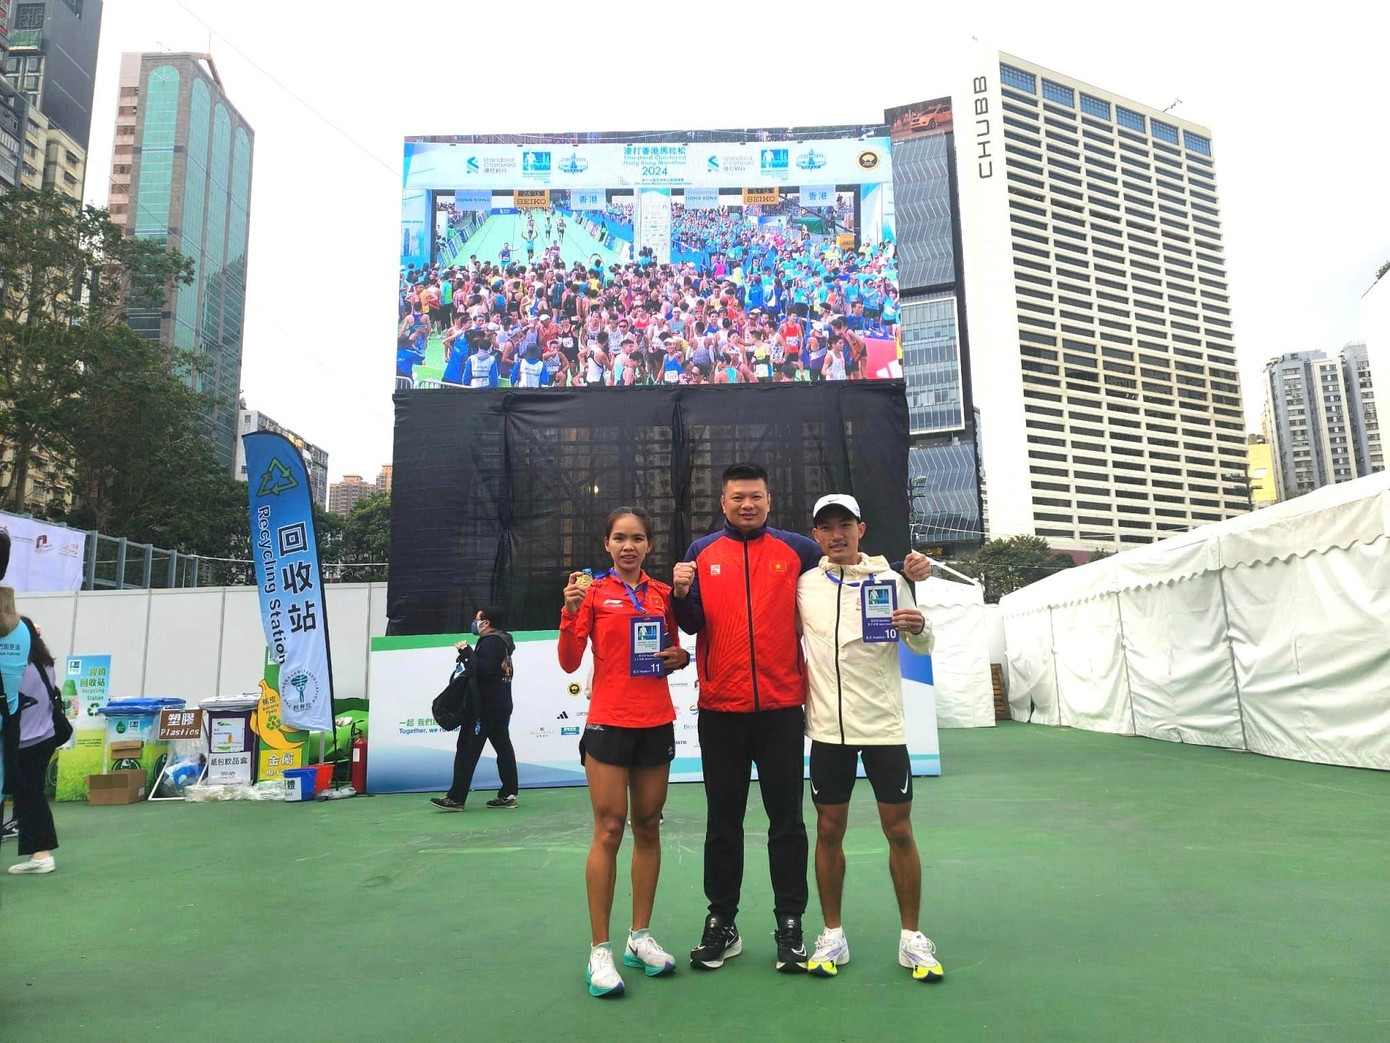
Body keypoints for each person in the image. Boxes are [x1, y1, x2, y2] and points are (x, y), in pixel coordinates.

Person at [673, 464, 930, 974]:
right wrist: (680, 593)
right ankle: (721, 923)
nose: (747, 505)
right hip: (721, 710)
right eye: (737, 498)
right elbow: (690, 623)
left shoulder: (798, 550)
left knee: (787, 824)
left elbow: (851, 563)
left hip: (784, 710)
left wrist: (907, 565)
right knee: (722, 823)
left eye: (756, 497)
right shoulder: (700, 554)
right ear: (723, 503)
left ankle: (790, 925)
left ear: (769, 500)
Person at [795, 494, 942, 982]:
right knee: (829, 831)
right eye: (826, 528)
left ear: (862, 528)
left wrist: (919, 628)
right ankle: (832, 934)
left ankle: (911, 938)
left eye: (844, 525)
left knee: (899, 831)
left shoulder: (892, 579)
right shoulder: (804, 586)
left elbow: (918, 642)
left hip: (883, 728)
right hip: (827, 732)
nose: (836, 535)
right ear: (815, 536)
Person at [558, 507, 691, 998]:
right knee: (610, 829)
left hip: (655, 722)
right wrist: (570, 612)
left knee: (649, 827)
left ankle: (639, 937)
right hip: (608, 723)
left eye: (637, 538)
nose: (629, 545)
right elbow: (571, 660)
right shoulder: (589, 593)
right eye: (620, 538)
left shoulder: (660, 595)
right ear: (607, 544)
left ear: (649, 545)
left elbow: (675, 650)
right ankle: (599, 950)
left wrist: (680, 657)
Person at [431, 607, 518, 811]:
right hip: (500, 705)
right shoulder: (503, 642)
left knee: (466, 751)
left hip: (483, 708)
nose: (474, 622)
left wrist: (466, 652)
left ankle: (456, 798)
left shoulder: (490, 642)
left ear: (486, 623)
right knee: (504, 749)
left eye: (477, 619)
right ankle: (508, 794)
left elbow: (483, 671)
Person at [9, 619, 60, 874]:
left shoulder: (17, 667)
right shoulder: (45, 664)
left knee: (30, 797)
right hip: (45, 736)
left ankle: (41, 854)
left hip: (25, 741)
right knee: (30, 795)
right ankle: (38, 853)